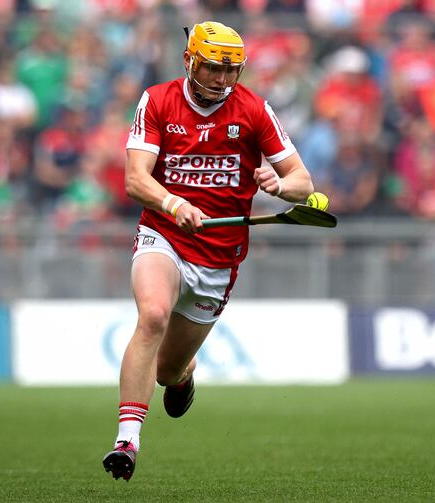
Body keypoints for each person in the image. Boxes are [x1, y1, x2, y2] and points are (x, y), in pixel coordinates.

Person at [102, 21, 314, 481]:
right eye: (212, 68)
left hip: (218, 257)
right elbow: (136, 179)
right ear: (189, 62)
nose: (221, 80)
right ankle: (127, 441)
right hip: (164, 234)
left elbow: (304, 182)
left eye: (231, 70)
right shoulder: (157, 101)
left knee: (168, 369)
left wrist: (279, 185)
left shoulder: (254, 110)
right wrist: (173, 202)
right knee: (153, 315)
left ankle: (182, 374)